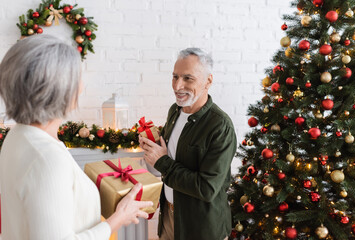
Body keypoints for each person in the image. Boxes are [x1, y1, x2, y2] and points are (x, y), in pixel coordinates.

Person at [0, 35, 153, 240]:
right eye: (77, 79)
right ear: (58, 90)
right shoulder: (46, 157)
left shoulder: (17, 137)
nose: (81, 87)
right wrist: (118, 219)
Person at [139, 48, 237, 240]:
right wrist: (153, 144)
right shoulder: (175, 111)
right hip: (169, 217)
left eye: (188, 78)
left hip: (201, 228)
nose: (177, 86)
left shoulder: (220, 126)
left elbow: (207, 189)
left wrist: (162, 161)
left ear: (208, 80)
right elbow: (172, 155)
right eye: (175, 77)